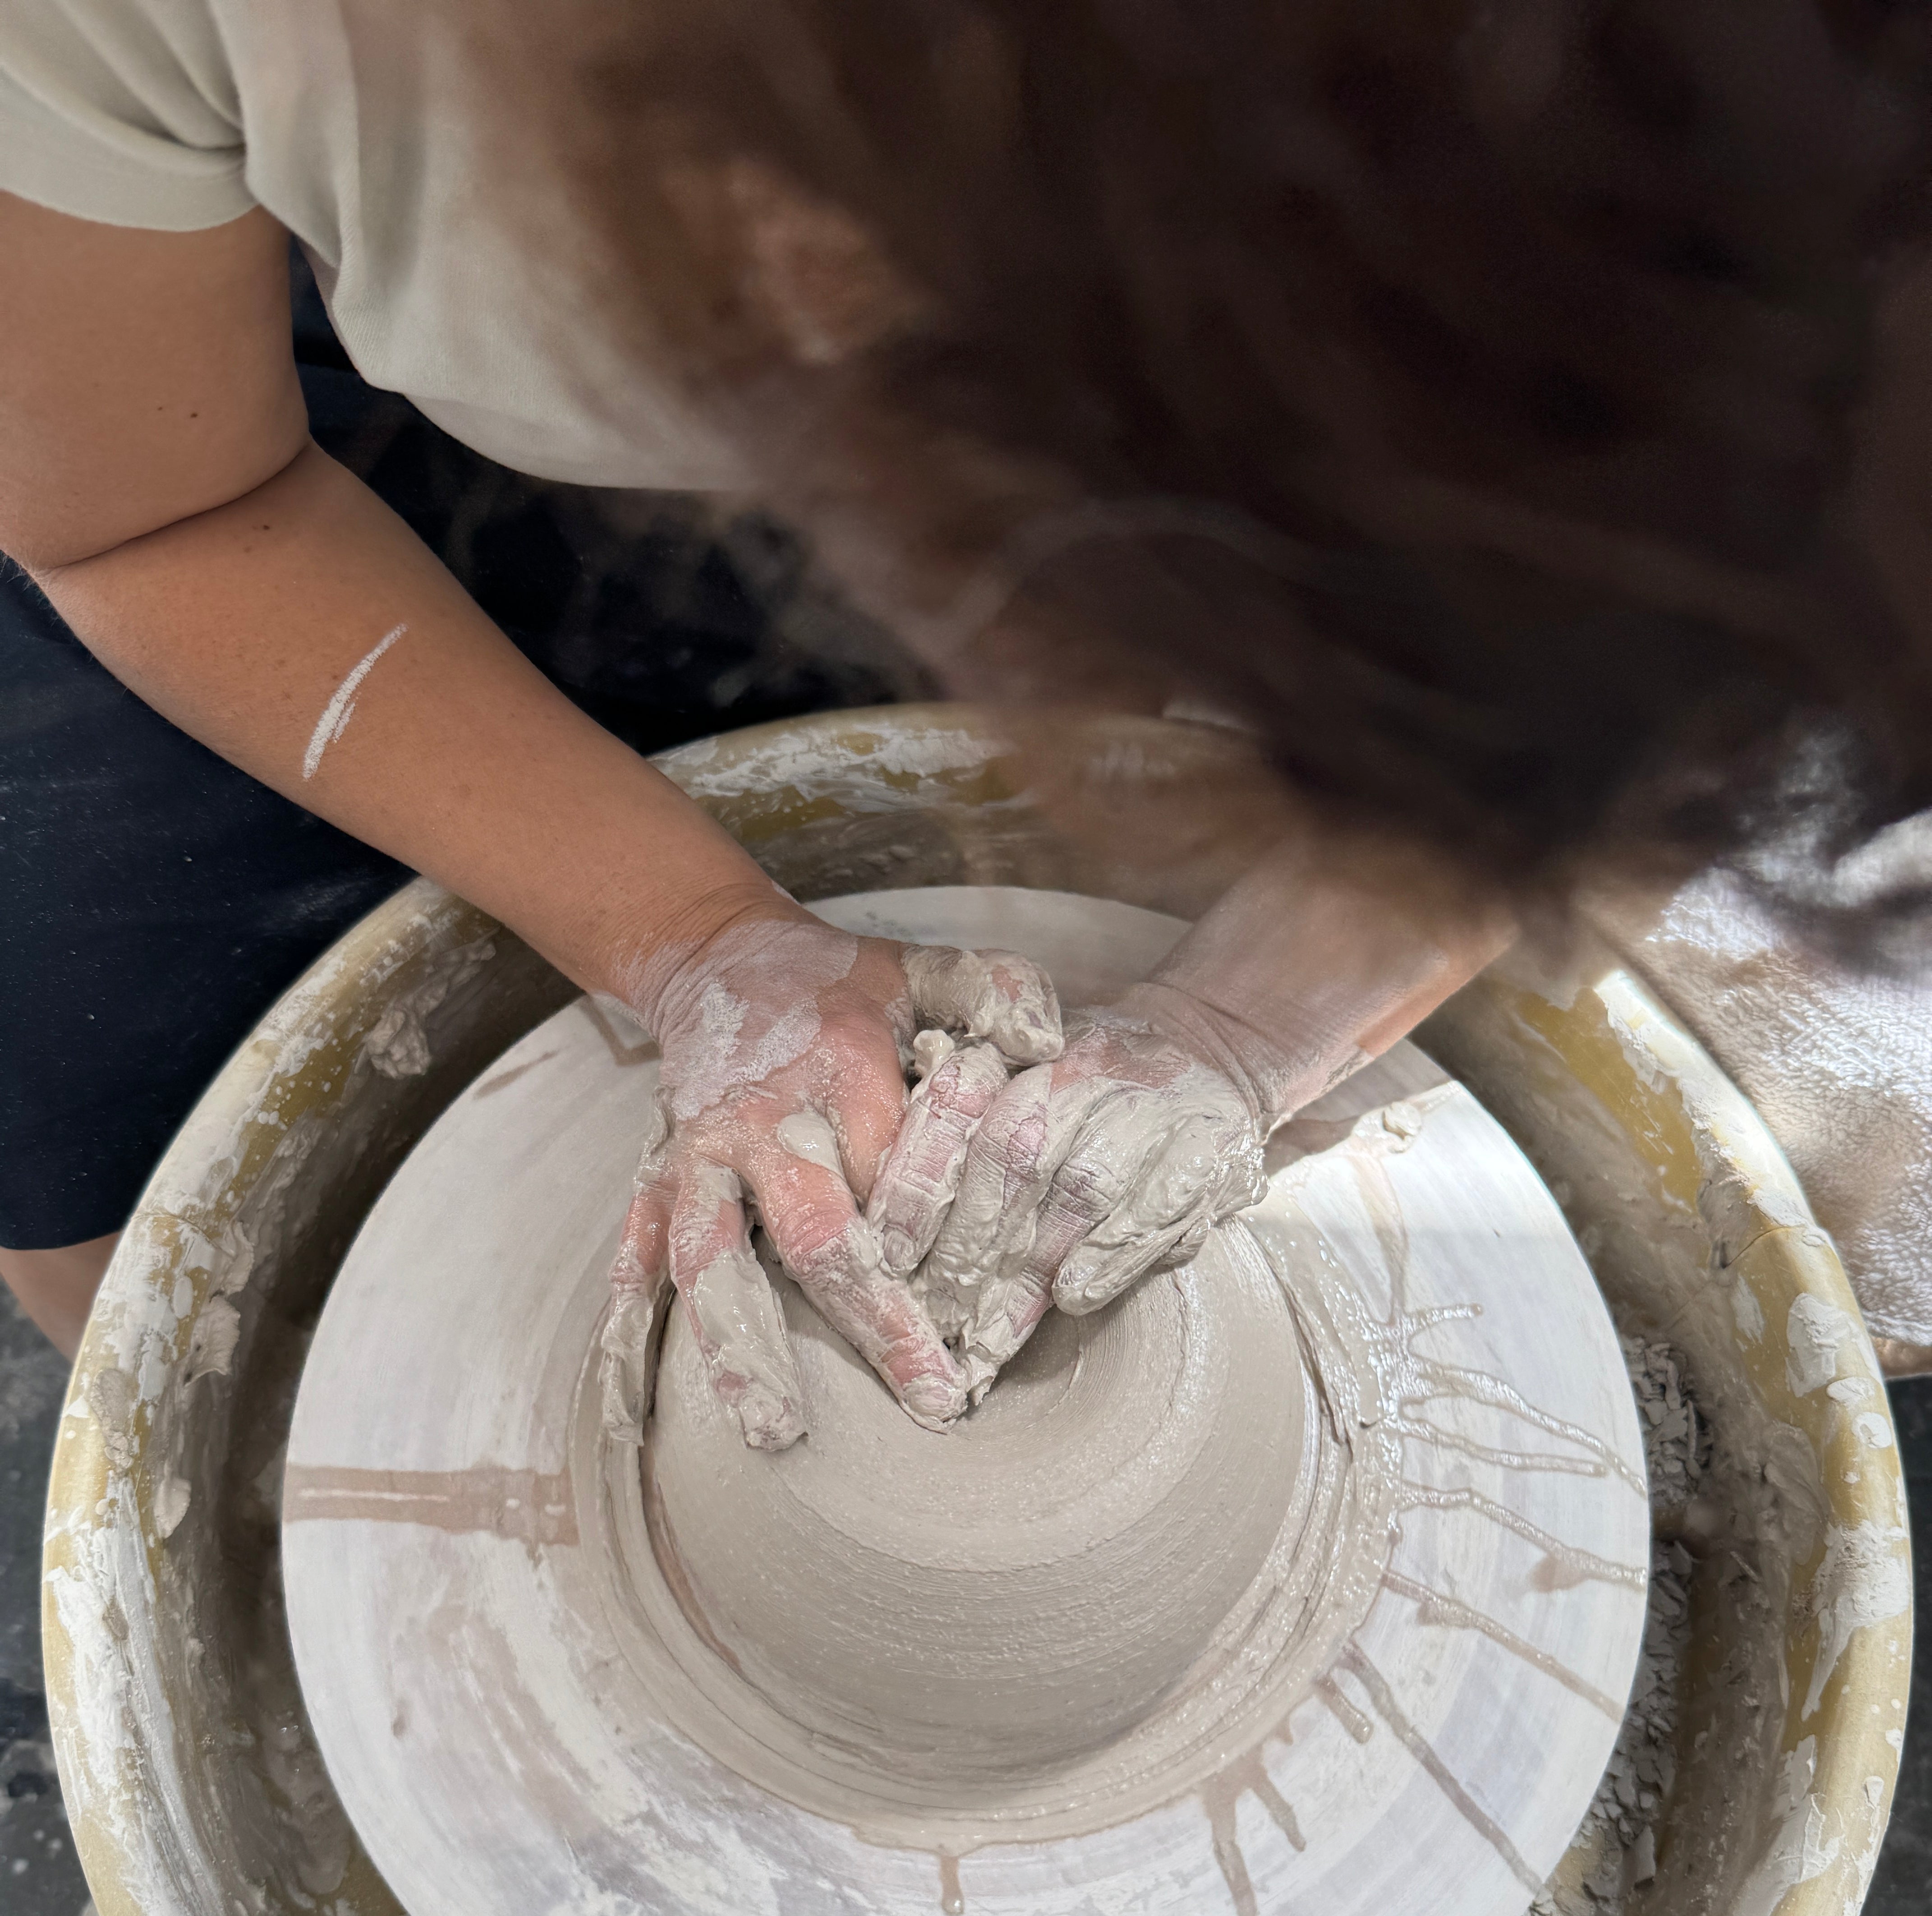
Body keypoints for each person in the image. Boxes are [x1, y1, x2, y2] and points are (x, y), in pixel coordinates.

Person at [4, 0, 1930, 1436]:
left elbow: (1680, 598)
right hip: (274, 427)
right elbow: (152, 514)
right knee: (101, 1158)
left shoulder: (1693, 113)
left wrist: (1244, 1029)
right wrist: (688, 937)